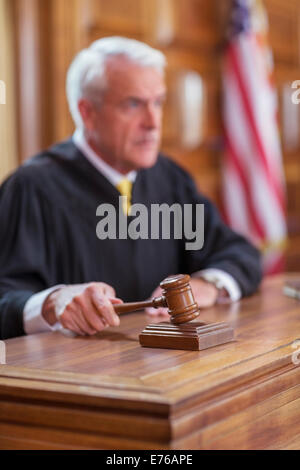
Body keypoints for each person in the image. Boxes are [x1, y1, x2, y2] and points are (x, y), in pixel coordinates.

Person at [0, 37, 262, 340]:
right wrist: (50, 303)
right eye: (133, 104)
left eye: (158, 103)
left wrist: (209, 285)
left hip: (165, 372)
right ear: (88, 113)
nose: (153, 122)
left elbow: (240, 253)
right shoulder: (31, 188)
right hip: (76, 378)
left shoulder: (170, 179)